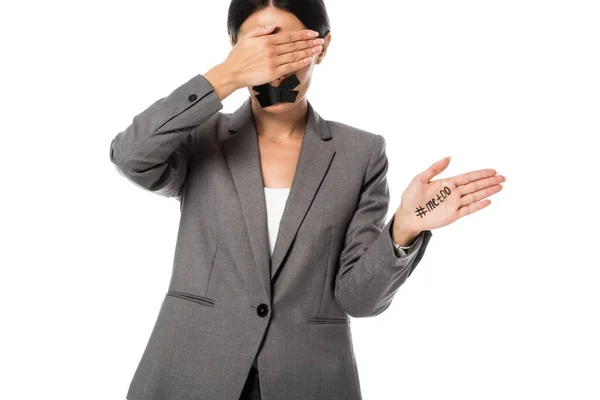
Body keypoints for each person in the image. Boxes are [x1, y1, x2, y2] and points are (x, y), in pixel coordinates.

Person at [109, 0, 506, 399]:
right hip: (189, 374)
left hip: (309, 381)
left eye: (291, 46)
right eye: (261, 46)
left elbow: (359, 299)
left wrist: (406, 226)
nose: (277, 65)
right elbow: (129, 157)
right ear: (234, 46)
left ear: (323, 45)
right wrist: (226, 75)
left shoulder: (360, 153)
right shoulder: (198, 138)